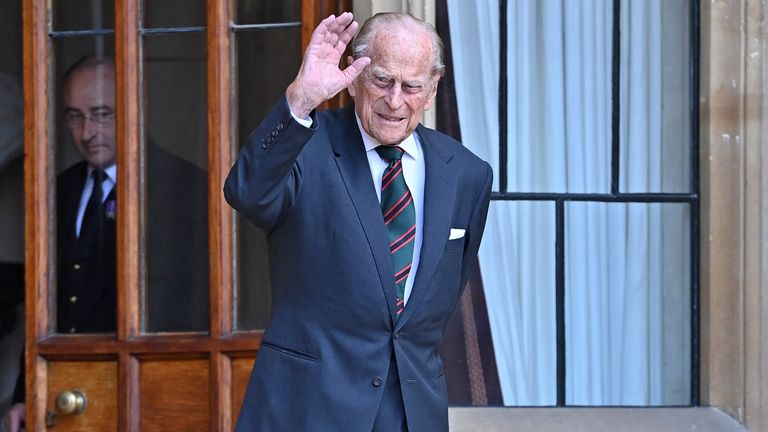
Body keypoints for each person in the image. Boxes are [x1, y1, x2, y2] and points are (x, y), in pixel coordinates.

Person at [225, 11, 492, 431]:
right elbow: (247, 193)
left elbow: (433, 299)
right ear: (354, 77)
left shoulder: (467, 174)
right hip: (306, 408)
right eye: (382, 80)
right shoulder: (306, 144)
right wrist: (300, 99)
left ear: (433, 88)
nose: (395, 100)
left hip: (411, 413)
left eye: (412, 86)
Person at [3, 56, 209, 432]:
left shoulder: (183, 186)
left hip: (149, 394)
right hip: (66, 397)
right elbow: (42, 307)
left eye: (101, 114)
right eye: (75, 116)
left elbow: (187, 304)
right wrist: (24, 393)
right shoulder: (58, 191)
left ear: (134, 107)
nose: (87, 132)